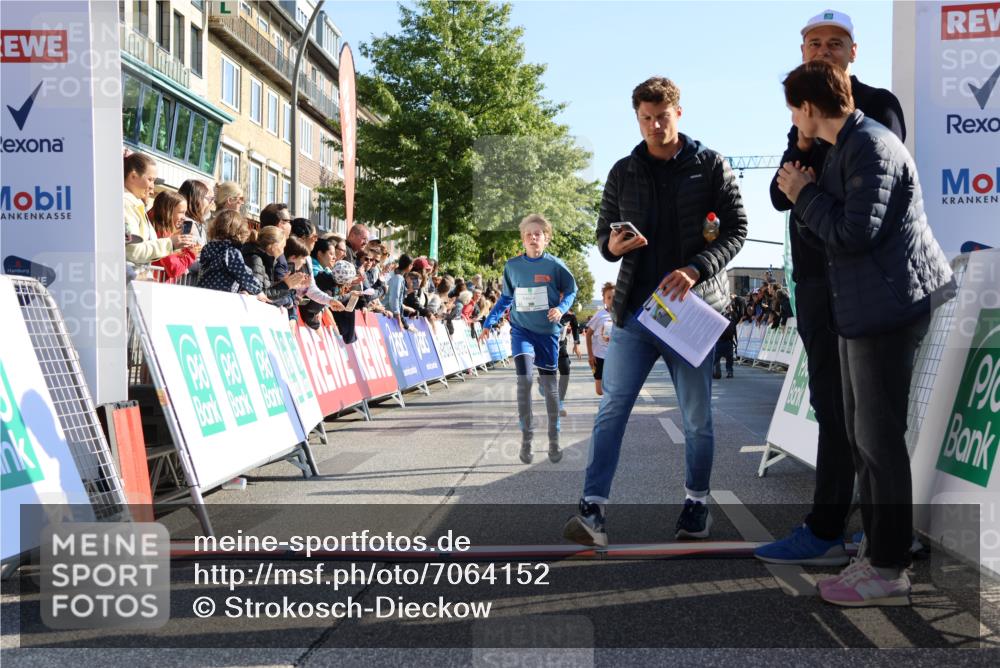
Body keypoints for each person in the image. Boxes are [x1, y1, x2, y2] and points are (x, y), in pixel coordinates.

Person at [774, 59, 953, 606]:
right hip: (861, 309)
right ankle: (876, 554)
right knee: (863, 439)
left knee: (879, 442)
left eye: (793, 113)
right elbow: (829, 228)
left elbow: (854, 232)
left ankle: (890, 567)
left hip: (887, 308)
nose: (794, 123)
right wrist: (807, 188)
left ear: (808, 108)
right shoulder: (845, 145)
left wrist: (804, 193)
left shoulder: (871, 145)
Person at [562, 76, 747, 548]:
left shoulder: (711, 165)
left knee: (697, 417)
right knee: (612, 410)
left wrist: (696, 268)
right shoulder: (623, 170)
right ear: (637, 117)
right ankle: (592, 510)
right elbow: (603, 237)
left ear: (678, 114)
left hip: (691, 310)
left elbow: (737, 229)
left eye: (662, 117)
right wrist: (612, 245)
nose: (654, 126)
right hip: (635, 312)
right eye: (645, 118)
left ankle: (696, 506)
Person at [756, 8, 910, 569]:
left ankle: (871, 536)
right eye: (813, 43)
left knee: (870, 418)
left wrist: (809, 169)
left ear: (853, 51)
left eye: (834, 43)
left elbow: (864, 186)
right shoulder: (802, 112)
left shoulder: (876, 106)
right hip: (816, 279)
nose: (823, 50)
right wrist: (803, 142)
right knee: (833, 405)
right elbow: (779, 194)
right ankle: (838, 529)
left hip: (864, 279)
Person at [480, 214, 577, 465]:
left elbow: (571, 290)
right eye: (528, 234)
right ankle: (527, 439)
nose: (533, 238)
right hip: (521, 330)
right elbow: (505, 298)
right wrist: (489, 322)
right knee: (524, 381)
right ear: (523, 239)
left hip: (547, 333)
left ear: (546, 238)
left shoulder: (556, 265)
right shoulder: (512, 267)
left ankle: (554, 439)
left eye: (538, 234)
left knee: (550, 389)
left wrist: (561, 308)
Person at [124, 152, 194, 273]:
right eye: (150, 180)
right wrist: (171, 243)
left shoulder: (134, 204)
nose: (152, 187)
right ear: (133, 176)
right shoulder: (126, 204)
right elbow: (133, 251)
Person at [197, 210, 263, 296]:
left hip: (202, 293)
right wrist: (258, 290)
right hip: (222, 297)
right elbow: (242, 274)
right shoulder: (231, 252)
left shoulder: (207, 248)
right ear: (239, 232)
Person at [148, 190, 198, 282]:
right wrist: (192, 251)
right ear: (168, 211)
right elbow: (175, 269)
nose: (184, 217)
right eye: (181, 212)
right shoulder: (161, 234)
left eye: (185, 213)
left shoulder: (165, 232)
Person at [585, 282, 615, 396]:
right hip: (600, 356)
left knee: (613, 387)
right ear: (604, 300)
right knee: (599, 391)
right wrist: (590, 355)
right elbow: (588, 335)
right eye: (609, 297)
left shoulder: (622, 315)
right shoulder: (600, 315)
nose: (612, 300)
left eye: (615, 297)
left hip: (615, 356)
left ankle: (608, 408)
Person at [713, 306, 738, 379]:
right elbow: (734, 332)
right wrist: (736, 342)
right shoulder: (731, 319)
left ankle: (715, 372)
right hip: (729, 342)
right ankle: (730, 372)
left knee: (716, 359)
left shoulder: (718, 319)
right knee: (729, 359)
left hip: (720, 342)